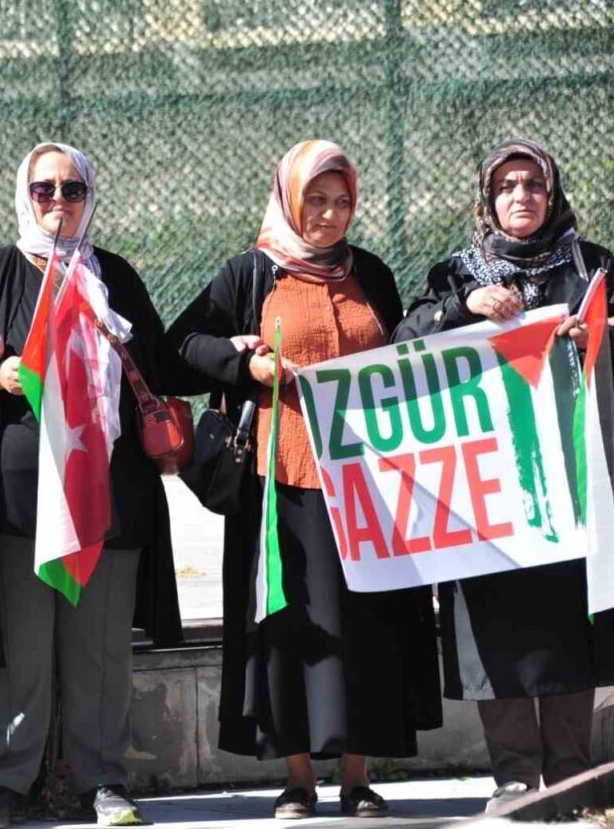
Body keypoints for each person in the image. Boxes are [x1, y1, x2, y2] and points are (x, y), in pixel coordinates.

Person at [0, 142, 190, 829]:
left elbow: (157, 361)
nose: (59, 202)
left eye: (73, 189)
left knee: (99, 649)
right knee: (21, 649)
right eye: (44, 189)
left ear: (90, 197)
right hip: (16, 502)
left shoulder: (113, 278)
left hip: (106, 493)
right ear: (25, 195)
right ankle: (6, 784)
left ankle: (103, 781)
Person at [167, 140, 441, 819]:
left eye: (342, 201)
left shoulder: (369, 272)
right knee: (290, 628)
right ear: (289, 199)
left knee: (370, 626)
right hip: (279, 483)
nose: (329, 213)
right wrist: (245, 364)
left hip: (370, 485)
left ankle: (357, 778)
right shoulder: (250, 273)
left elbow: (402, 351)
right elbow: (179, 350)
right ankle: (297, 780)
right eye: (315, 199)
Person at [393, 139, 614, 811]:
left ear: (553, 194)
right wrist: (465, 308)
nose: (521, 196)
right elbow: (406, 344)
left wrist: (600, 338)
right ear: (487, 201)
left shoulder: (594, 267)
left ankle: (573, 776)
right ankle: (516, 778)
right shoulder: (456, 275)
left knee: (572, 624)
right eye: (506, 186)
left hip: (575, 483)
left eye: (534, 185)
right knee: (495, 628)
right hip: (489, 490)